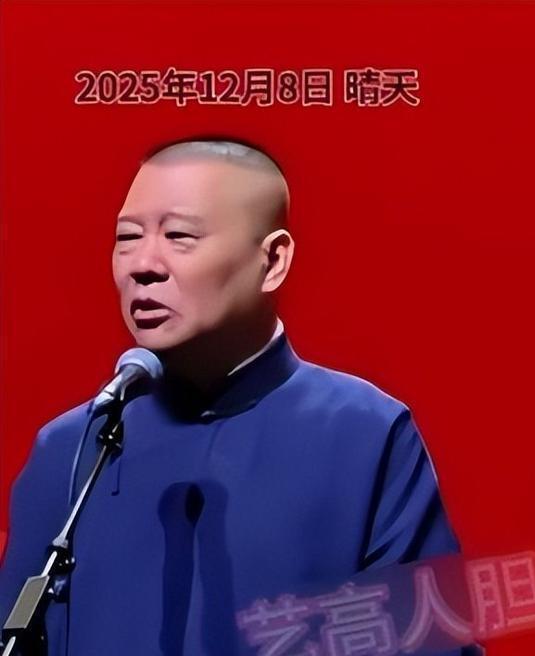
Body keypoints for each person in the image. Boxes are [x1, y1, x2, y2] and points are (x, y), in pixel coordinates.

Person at [0, 138, 465, 655]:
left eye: (179, 236)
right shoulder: (72, 449)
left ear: (273, 261)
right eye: (127, 238)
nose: (143, 264)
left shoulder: (365, 434)